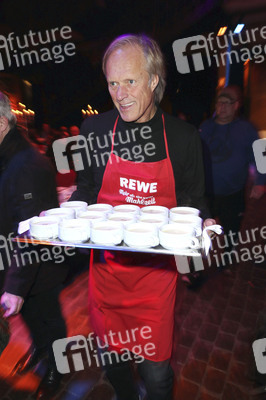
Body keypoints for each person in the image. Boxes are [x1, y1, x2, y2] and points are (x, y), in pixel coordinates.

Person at [70, 34, 215, 400]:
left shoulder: (183, 139)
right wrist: (65, 214)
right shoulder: (95, 131)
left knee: (157, 376)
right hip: (106, 277)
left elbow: (196, 203)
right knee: (114, 364)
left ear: (153, 79)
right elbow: (86, 191)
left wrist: (202, 239)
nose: (119, 94)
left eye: (129, 82)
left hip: (155, 283)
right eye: (112, 83)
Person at [0, 92, 69, 400]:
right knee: (30, 318)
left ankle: (57, 366)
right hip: (14, 261)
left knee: (47, 318)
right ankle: (41, 351)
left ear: (2, 123)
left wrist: (15, 286)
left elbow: (32, 234)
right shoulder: (7, 153)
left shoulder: (26, 163)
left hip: (36, 266)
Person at [200, 85, 265, 245]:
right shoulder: (205, 127)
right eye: (219, 102)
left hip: (233, 193)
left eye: (226, 103)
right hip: (205, 192)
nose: (221, 107)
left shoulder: (247, 129)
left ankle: (226, 263)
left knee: (231, 231)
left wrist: (261, 183)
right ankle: (197, 266)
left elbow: (261, 158)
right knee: (200, 228)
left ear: (236, 105)